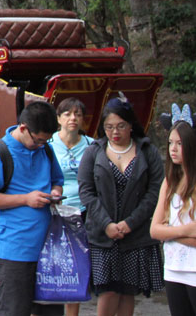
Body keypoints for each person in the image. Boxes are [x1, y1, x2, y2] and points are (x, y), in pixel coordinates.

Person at [0, 101, 64, 316]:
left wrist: (55, 193)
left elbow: (57, 180)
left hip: (49, 249)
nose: (42, 144)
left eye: (47, 140)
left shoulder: (46, 150)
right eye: (39, 140)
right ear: (23, 128)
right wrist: (26, 199)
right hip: (15, 249)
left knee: (51, 312)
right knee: (14, 310)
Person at [78, 97, 164, 316]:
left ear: (131, 124)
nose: (114, 132)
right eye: (109, 127)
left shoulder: (147, 151)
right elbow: (86, 192)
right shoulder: (93, 151)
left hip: (135, 233)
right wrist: (107, 224)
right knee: (107, 291)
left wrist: (130, 223)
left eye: (120, 126)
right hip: (103, 234)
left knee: (128, 291)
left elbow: (155, 192)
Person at [150, 105, 196, 316]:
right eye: (171, 143)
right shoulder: (170, 181)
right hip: (173, 268)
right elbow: (154, 230)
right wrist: (185, 230)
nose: (173, 149)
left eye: (180, 144)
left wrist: (169, 232)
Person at [49, 98, 94, 316]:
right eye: (67, 114)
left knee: (77, 265)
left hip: (84, 212)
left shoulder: (92, 146)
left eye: (77, 114)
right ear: (58, 119)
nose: (72, 118)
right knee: (55, 263)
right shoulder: (48, 145)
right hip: (56, 211)